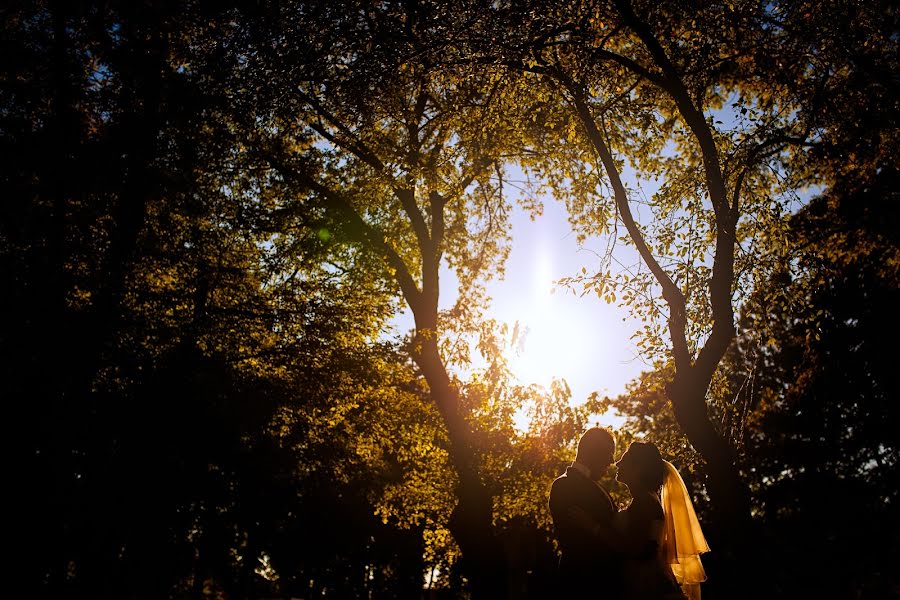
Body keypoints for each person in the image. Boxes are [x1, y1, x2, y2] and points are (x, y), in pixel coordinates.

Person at [613, 442, 710, 600]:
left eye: (624, 460)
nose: (617, 463)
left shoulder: (645, 502)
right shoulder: (644, 500)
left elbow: (637, 548)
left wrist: (593, 527)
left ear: (638, 468)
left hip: (648, 586)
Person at [548, 426, 623, 598]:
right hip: (584, 583)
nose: (611, 461)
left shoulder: (595, 486)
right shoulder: (564, 485)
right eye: (609, 452)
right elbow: (575, 539)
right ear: (594, 452)